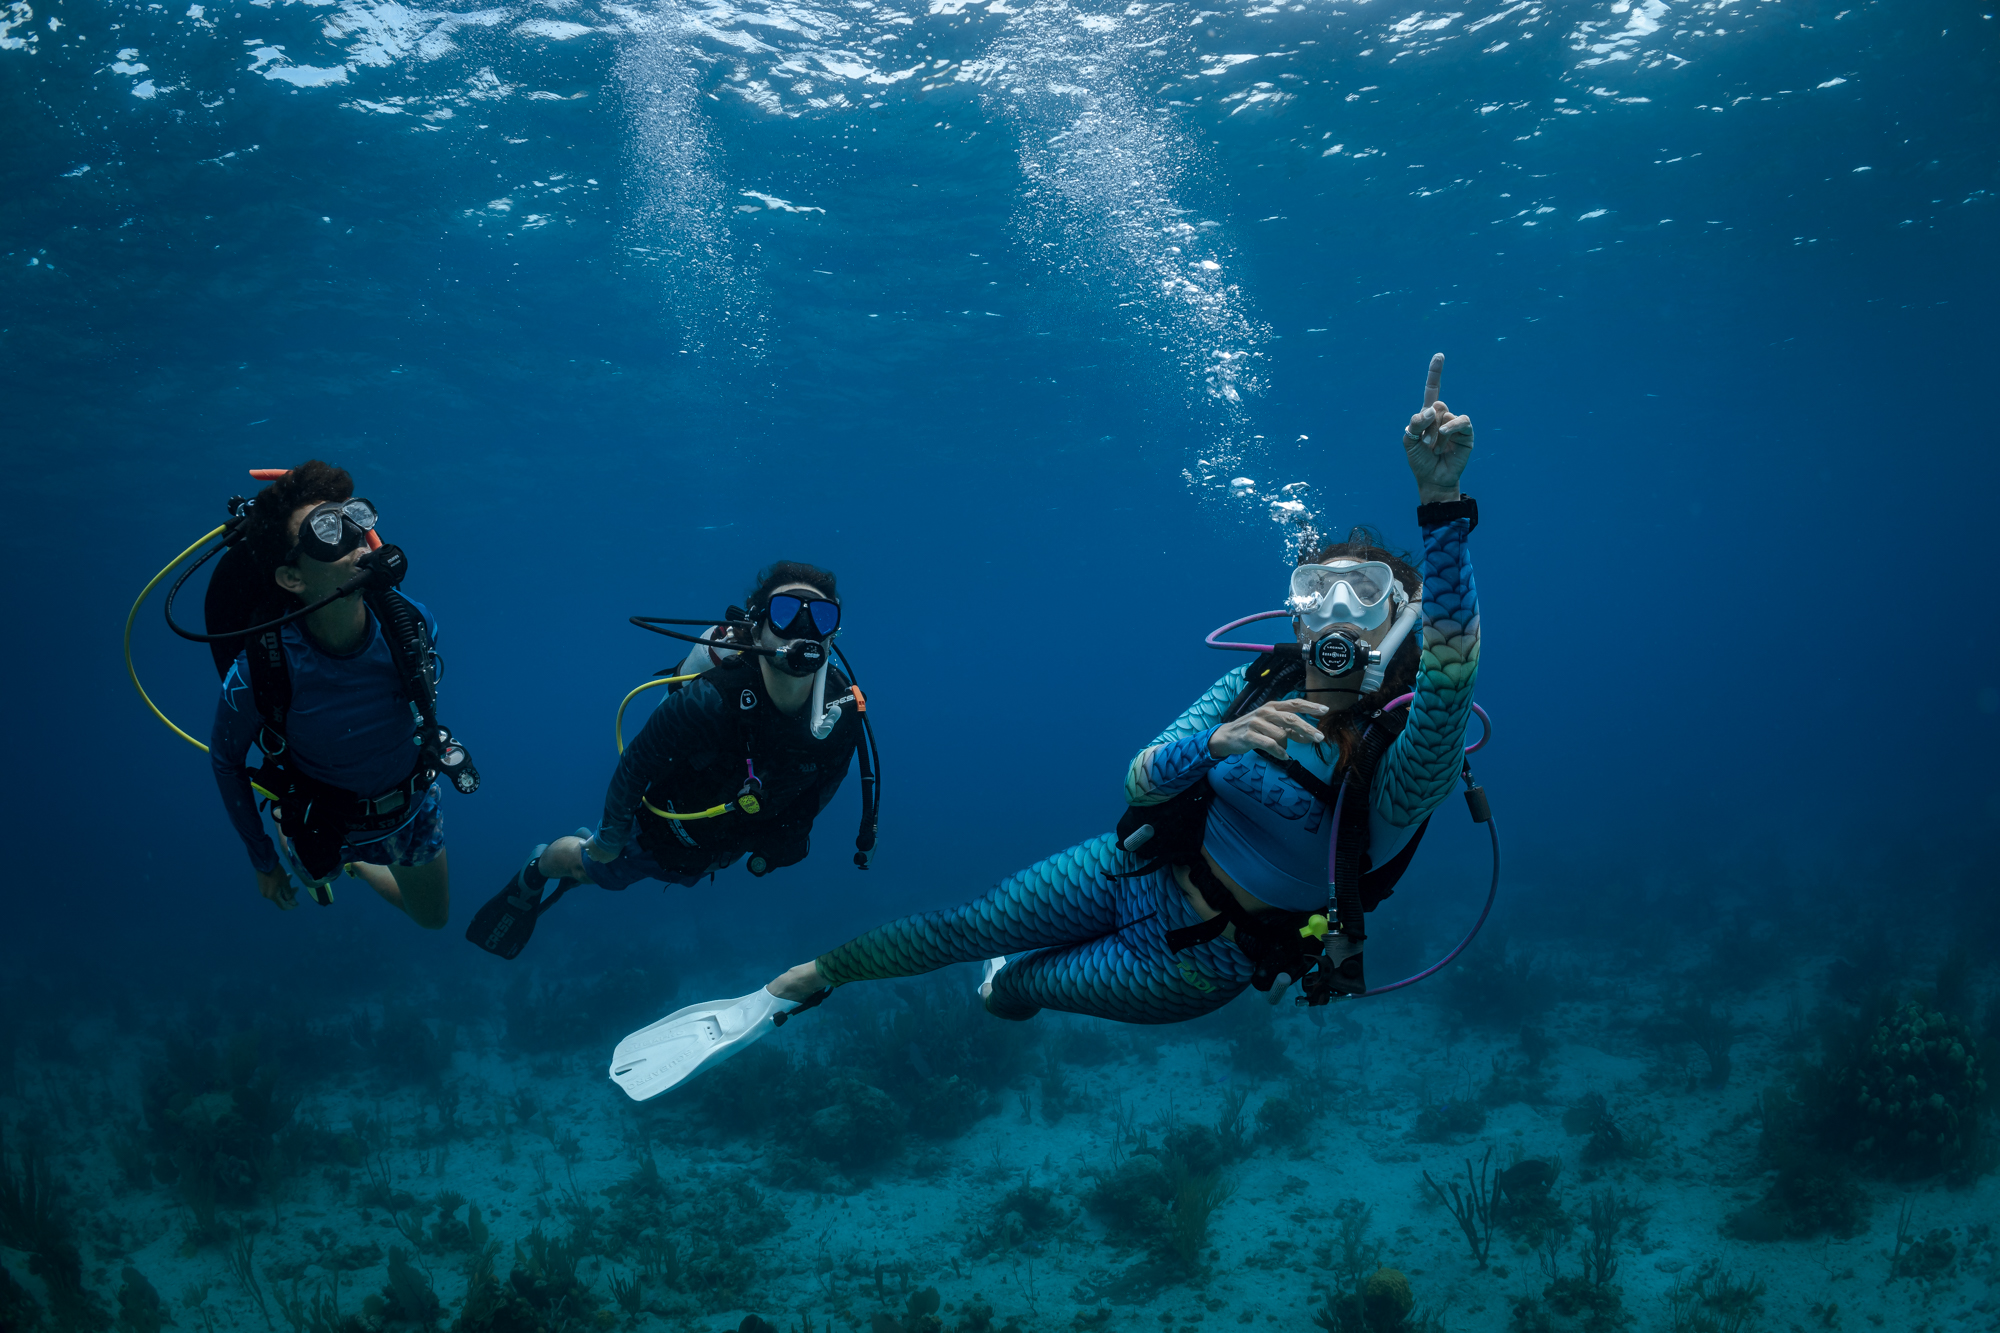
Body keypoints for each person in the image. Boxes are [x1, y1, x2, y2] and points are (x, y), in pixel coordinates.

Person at [764, 354, 1481, 1023]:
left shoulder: (1403, 759)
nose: (1338, 610)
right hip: (1126, 867)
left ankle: (1002, 988)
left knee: (1019, 988)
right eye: (1318, 591)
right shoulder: (1257, 682)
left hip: (1193, 961)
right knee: (967, 924)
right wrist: (1215, 741)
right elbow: (1140, 780)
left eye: (1365, 594)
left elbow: (1450, 679)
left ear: (1402, 621)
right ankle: (814, 974)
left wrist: (1442, 505)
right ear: (1297, 616)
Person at [467, 562, 866, 959]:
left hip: (721, 844)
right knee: (588, 869)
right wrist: (610, 837)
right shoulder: (709, 699)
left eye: (822, 617)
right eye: (785, 612)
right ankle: (538, 869)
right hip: (659, 834)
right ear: (758, 625)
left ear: (833, 637)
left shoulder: (843, 714)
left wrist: (785, 837)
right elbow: (636, 763)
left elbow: (823, 786)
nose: (803, 628)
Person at [209, 462, 459, 927]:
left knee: (433, 919)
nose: (356, 537)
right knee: (314, 874)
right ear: (292, 578)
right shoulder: (261, 668)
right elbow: (225, 759)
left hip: (412, 806)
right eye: (327, 529)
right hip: (319, 820)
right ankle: (320, 851)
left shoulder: (413, 624)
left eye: (353, 518)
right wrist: (263, 860)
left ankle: (361, 867)